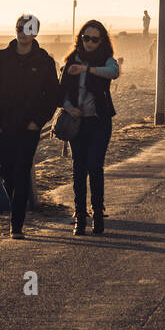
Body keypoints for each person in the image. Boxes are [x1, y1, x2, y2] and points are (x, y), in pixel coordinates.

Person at [0, 13, 59, 239]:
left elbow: (53, 95)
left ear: (35, 32)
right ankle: (19, 201)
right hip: (3, 127)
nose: (22, 33)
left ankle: (16, 224)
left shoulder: (44, 60)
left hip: (29, 128)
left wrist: (37, 121)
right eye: (19, 28)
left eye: (27, 29)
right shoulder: (2, 58)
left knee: (22, 170)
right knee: (6, 172)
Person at [60, 20, 119, 236]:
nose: (90, 43)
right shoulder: (71, 60)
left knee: (95, 166)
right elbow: (62, 90)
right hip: (77, 122)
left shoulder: (106, 60)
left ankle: (97, 211)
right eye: (86, 38)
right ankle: (80, 215)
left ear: (101, 40)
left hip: (99, 121)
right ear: (80, 38)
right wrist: (69, 107)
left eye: (94, 39)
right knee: (79, 168)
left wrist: (86, 69)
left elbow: (114, 72)